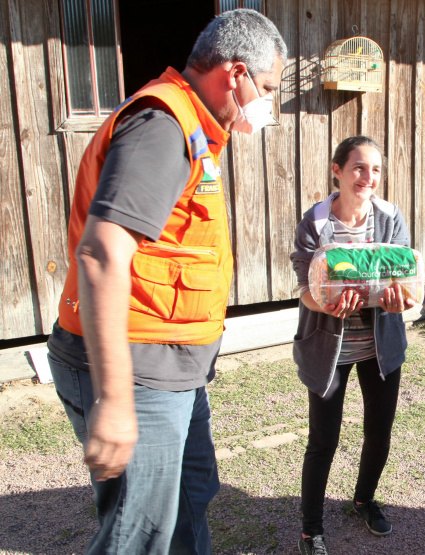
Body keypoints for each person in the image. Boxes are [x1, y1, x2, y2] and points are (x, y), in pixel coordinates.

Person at [45, 9, 286, 554]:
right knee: (140, 533)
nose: (268, 103)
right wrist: (113, 398)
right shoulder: (164, 124)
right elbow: (104, 253)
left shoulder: (198, 129)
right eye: (267, 87)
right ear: (236, 74)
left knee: (190, 498)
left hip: (173, 369)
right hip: (137, 371)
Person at [290, 136, 414, 555]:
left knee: (379, 433)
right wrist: (326, 302)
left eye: (375, 169)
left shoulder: (391, 218)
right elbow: (305, 290)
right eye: (359, 167)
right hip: (330, 348)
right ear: (337, 170)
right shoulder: (315, 223)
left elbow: (405, 280)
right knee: (323, 440)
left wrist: (402, 300)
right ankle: (311, 530)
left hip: (380, 347)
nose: (368, 177)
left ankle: (363, 499)